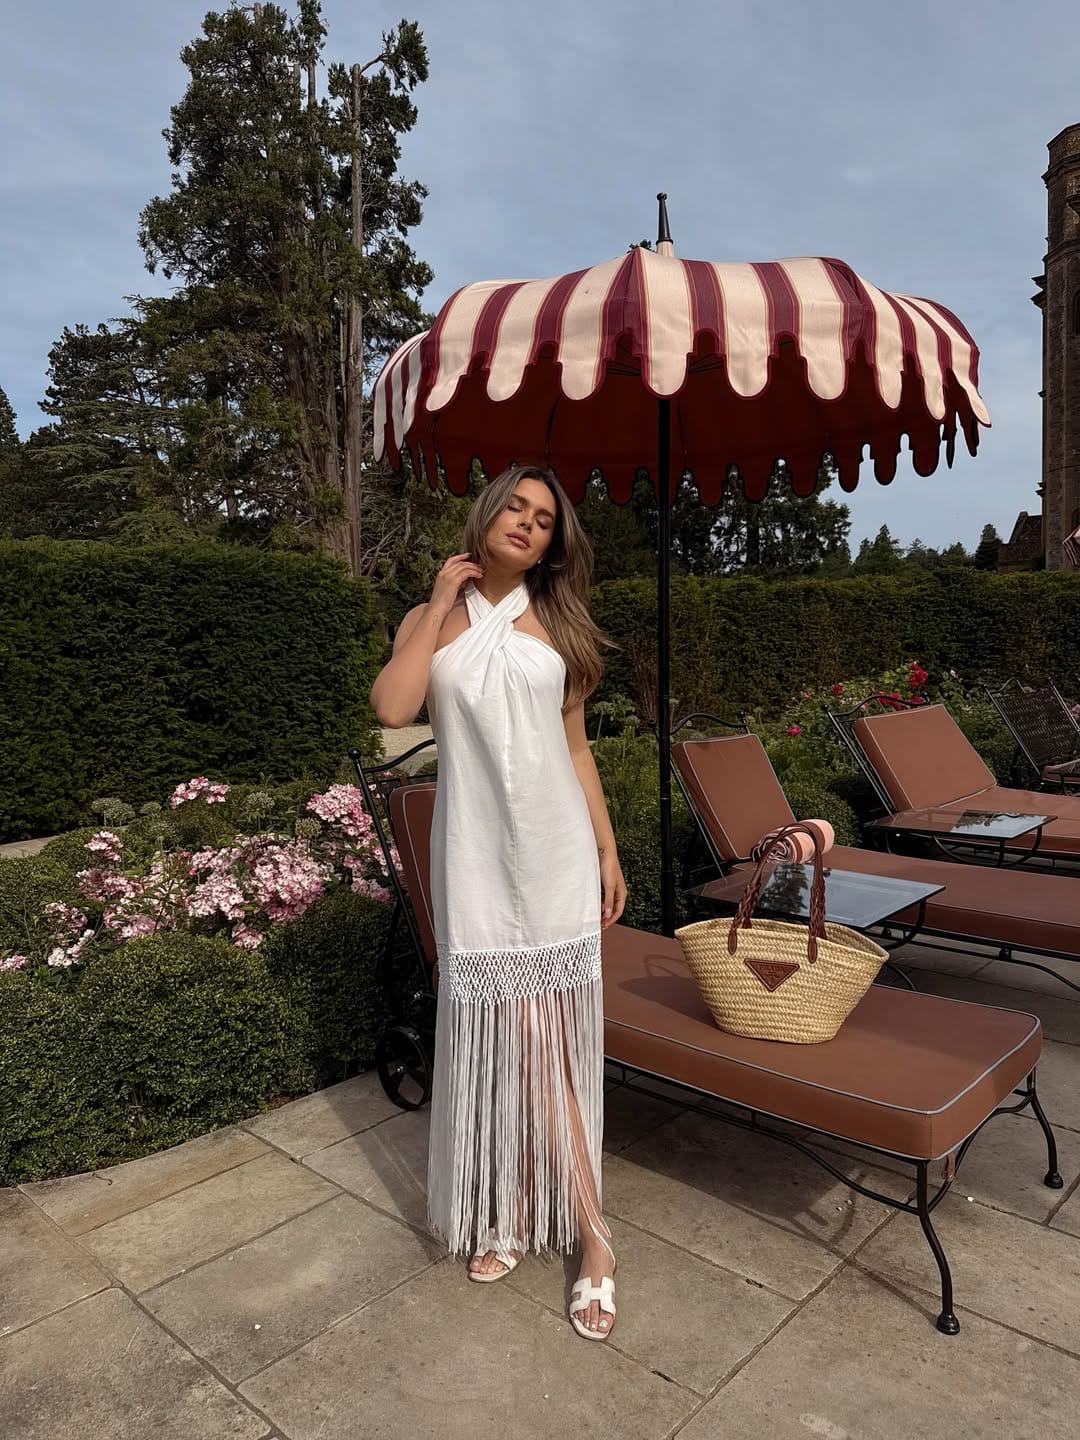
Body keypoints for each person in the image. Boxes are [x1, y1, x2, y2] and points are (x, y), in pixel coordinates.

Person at [370, 463, 627, 1340]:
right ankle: (513, 1204)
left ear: (556, 541)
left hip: (553, 850)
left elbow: (577, 749)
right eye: (514, 507)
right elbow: (395, 705)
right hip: (477, 855)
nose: (527, 523)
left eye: (545, 518)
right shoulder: (430, 620)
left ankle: (591, 1233)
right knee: (510, 1034)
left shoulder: (558, 620)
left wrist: (606, 847)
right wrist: (441, 602)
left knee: (545, 1035)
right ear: (485, 516)